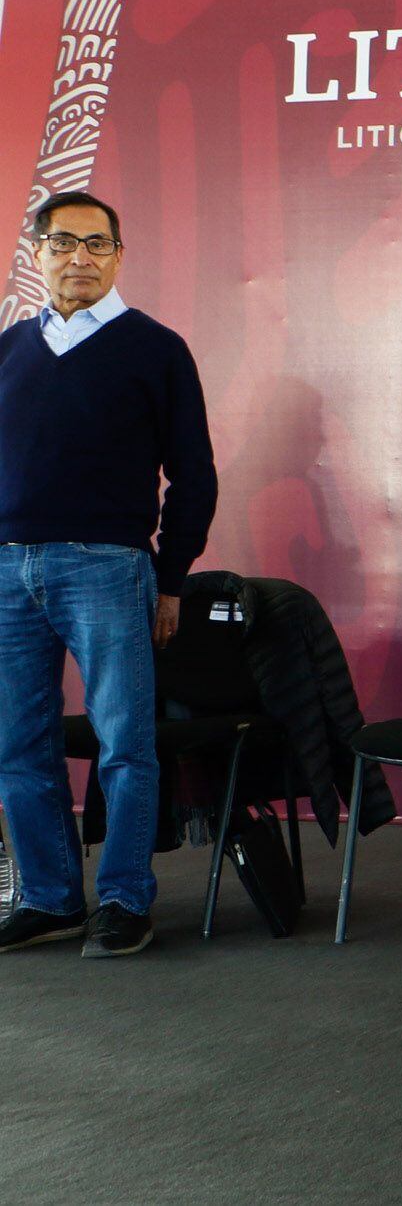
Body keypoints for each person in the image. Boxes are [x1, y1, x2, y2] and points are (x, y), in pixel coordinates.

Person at [0, 191, 217, 959]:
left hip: (109, 568)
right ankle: (51, 898)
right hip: (6, 572)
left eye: (97, 245)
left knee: (124, 742)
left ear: (120, 256)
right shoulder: (8, 349)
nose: (79, 258)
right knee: (17, 746)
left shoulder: (155, 348)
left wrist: (171, 578)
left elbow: (194, 477)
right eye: (62, 243)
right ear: (37, 254)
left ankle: (124, 899)